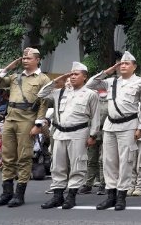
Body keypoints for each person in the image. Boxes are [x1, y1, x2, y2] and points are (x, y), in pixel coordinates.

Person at [87, 51, 141, 211]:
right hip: (110, 125)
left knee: (126, 162)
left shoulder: (140, 82)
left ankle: (121, 196)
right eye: (121, 63)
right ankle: (110, 195)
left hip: (129, 125)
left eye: (127, 63)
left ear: (134, 67)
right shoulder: (111, 82)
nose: (123, 66)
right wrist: (108, 70)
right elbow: (90, 84)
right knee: (108, 161)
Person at [0, 48, 51, 208]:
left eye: (28, 58)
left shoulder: (43, 79)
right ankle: (6, 193)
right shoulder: (15, 76)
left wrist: (38, 124)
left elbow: (44, 103)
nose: (24, 60)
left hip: (27, 119)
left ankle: (19, 194)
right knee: (7, 156)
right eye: (23, 58)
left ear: (37, 60)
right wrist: (9, 67)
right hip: (10, 118)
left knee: (24, 157)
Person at [37, 61, 100, 209]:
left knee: (77, 165)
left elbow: (95, 117)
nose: (72, 77)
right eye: (71, 74)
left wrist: (93, 135)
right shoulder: (60, 92)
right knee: (57, 166)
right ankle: (57, 196)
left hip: (79, 133)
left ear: (84, 77)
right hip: (59, 133)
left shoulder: (90, 94)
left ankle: (71, 196)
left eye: (76, 74)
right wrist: (58, 80)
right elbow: (41, 94)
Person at [81, 85, 109, 195]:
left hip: (106, 131)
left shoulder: (111, 99)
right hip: (92, 131)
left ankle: (103, 184)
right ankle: (88, 184)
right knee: (91, 159)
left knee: (103, 159)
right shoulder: (92, 97)